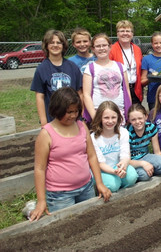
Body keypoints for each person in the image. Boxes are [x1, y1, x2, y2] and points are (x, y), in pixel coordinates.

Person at [30, 87, 111, 221]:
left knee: (90, 223)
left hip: (86, 187)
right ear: (58, 110)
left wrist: (99, 183)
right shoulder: (46, 134)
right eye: (69, 112)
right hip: (60, 195)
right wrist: (41, 201)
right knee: (67, 228)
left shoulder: (81, 126)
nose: (73, 115)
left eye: (76, 111)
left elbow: (91, 155)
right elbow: (39, 168)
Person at [31, 29, 82, 126]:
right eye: (51, 42)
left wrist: (80, 116)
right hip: (52, 119)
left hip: (72, 118)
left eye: (59, 42)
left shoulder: (73, 67)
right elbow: (39, 97)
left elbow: (80, 94)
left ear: (63, 45)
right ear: (46, 45)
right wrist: (43, 121)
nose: (55, 45)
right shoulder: (41, 69)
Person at [83, 33, 131, 124]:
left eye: (104, 45)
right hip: (99, 113)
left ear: (110, 47)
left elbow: (127, 91)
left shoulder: (120, 66)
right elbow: (86, 95)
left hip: (119, 112)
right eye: (98, 46)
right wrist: (95, 118)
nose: (101, 48)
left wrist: (128, 112)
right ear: (93, 49)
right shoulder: (90, 68)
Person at [90, 101, 138, 192]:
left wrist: (123, 166)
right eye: (106, 118)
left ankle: (120, 185)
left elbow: (125, 155)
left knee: (132, 177)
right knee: (113, 185)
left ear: (118, 118)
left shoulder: (123, 132)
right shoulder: (94, 138)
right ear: (100, 118)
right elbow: (100, 163)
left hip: (118, 166)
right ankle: (102, 187)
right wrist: (114, 172)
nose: (110, 121)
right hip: (102, 170)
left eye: (113, 117)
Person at [126, 103, 161, 181]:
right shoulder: (127, 133)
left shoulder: (151, 128)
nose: (137, 121)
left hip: (145, 156)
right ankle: (146, 171)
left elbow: (157, 152)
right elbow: (127, 160)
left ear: (146, 117)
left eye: (140, 118)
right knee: (144, 175)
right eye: (133, 119)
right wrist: (143, 164)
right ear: (129, 120)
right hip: (133, 160)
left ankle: (150, 169)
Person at [109, 20, 143, 104]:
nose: (125, 33)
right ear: (117, 34)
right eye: (122, 31)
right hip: (119, 89)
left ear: (132, 34)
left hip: (135, 89)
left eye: (128, 31)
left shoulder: (137, 49)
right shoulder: (112, 49)